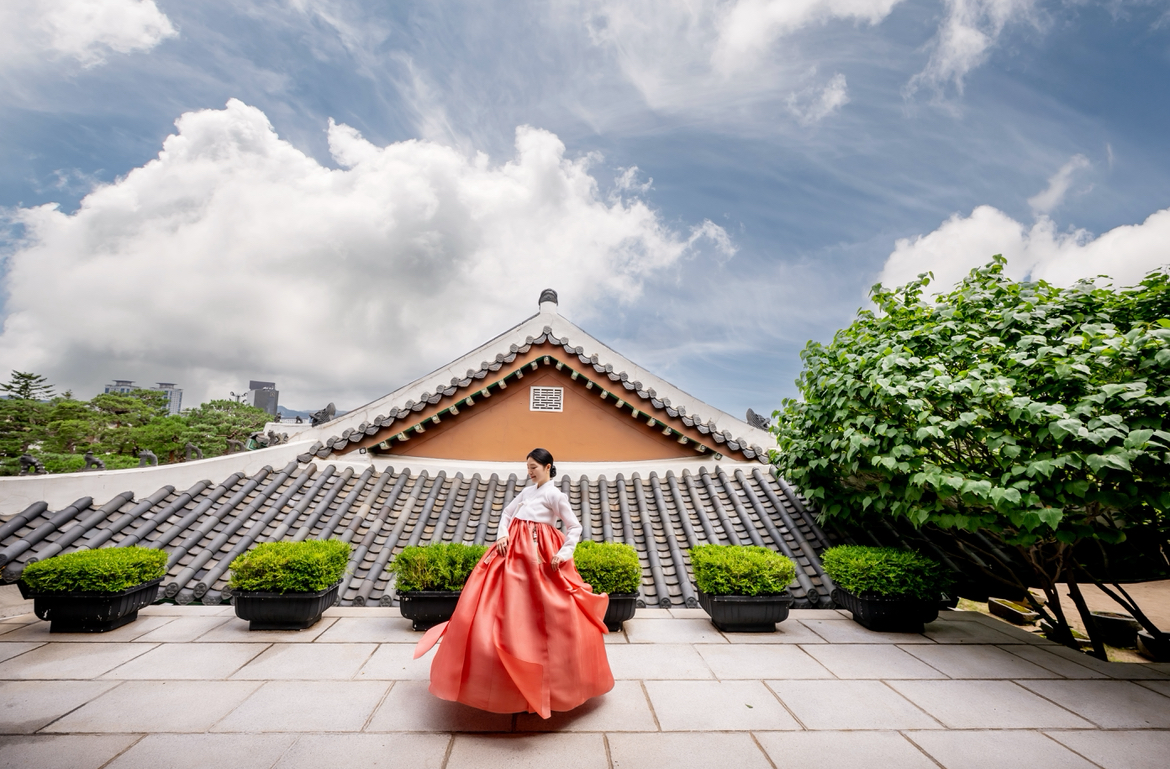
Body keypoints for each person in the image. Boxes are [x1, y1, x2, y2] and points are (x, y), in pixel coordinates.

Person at [413, 448, 614, 718]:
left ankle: (546, 683)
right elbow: (506, 514)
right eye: (527, 467)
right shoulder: (527, 492)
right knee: (496, 607)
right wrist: (502, 535)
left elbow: (574, 527)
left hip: (539, 554)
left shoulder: (555, 494)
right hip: (511, 554)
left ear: (547, 466)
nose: (529, 471)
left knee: (545, 612)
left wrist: (562, 553)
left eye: (533, 467)